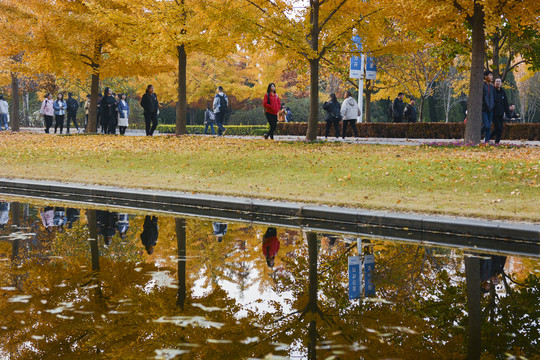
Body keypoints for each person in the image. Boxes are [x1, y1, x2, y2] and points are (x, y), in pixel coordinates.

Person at [491, 78, 510, 144]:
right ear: (494, 83)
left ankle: (497, 142)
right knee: (498, 127)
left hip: (501, 113)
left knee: (500, 129)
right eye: (496, 81)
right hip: (494, 113)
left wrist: (508, 114)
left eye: (499, 81)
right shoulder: (492, 91)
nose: (498, 82)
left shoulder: (503, 92)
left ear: (501, 83)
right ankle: (488, 138)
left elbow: (506, 103)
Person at [481, 70, 495, 144]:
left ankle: (487, 140)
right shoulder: (482, 85)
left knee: (489, 126)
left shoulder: (492, 86)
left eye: (491, 75)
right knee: (486, 125)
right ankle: (479, 133)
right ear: (485, 76)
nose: (491, 77)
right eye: (490, 75)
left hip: (491, 109)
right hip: (484, 109)